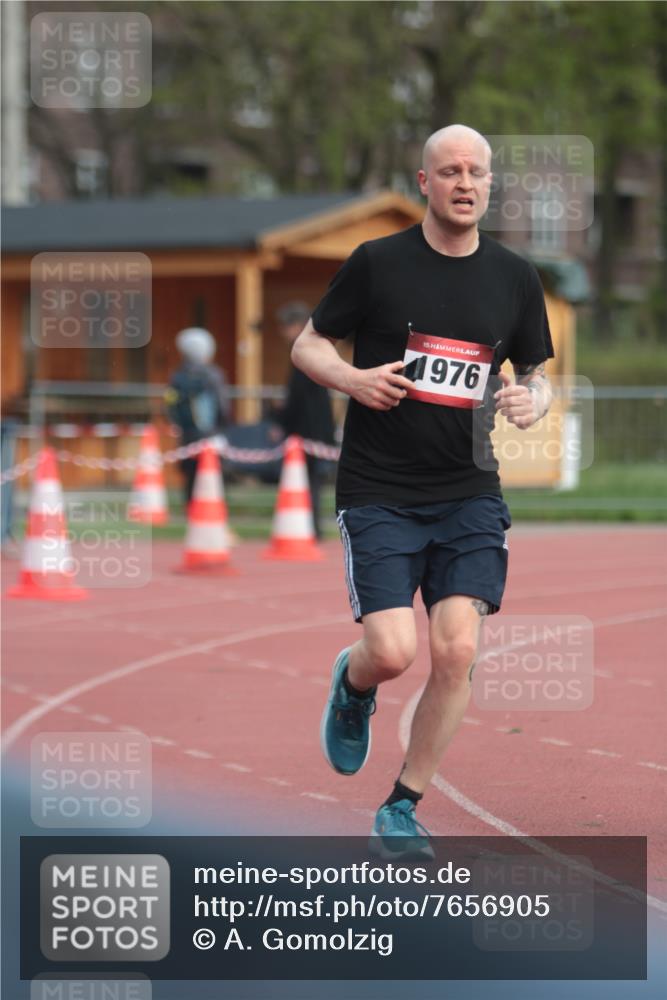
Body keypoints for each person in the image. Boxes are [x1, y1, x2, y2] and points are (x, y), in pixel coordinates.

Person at [291, 124, 554, 859]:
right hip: (378, 487)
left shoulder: (513, 276)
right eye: (450, 171)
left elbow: (533, 374)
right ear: (424, 182)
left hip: (468, 488)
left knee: (456, 647)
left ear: (488, 185)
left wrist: (535, 400)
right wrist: (353, 378)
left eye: (476, 172)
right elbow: (307, 344)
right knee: (392, 649)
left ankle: (402, 805)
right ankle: (354, 683)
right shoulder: (376, 264)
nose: (464, 183)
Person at [272, 301, 336, 540]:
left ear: (297, 326)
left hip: (308, 431)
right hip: (315, 428)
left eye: (285, 326)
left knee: (308, 482)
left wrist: (282, 420)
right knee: (310, 482)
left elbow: (299, 398)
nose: (282, 332)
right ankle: (311, 526)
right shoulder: (316, 351)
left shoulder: (303, 354)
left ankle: (311, 528)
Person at [165, 327, 231, 503]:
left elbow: (170, 403)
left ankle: (190, 505)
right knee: (212, 470)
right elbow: (223, 406)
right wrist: (223, 426)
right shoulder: (214, 375)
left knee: (190, 471)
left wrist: (176, 423)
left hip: (187, 433)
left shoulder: (177, 376)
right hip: (211, 432)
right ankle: (212, 504)